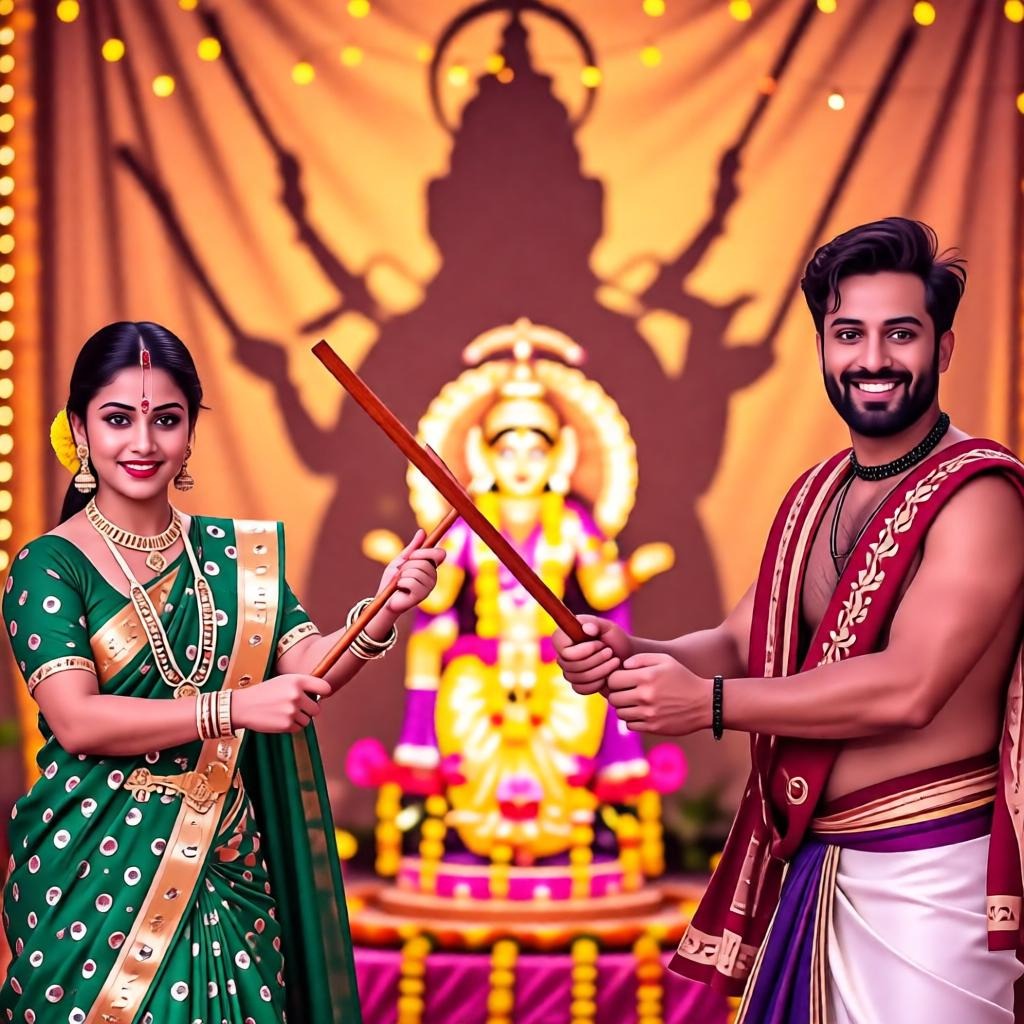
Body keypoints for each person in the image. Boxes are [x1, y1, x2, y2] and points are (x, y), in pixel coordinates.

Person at [552, 218, 1024, 1023]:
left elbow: (909, 688)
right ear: (822, 349)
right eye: (849, 334)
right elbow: (744, 642)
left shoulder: (980, 497)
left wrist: (707, 705)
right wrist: (637, 650)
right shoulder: (818, 491)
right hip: (813, 868)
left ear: (943, 349)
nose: (872, 359)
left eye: (900, 334)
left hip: (930, 878)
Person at [1, 321, 445, 1024]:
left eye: (166, 420)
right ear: (79, 430)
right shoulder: (49, 565)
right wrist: (234, 709)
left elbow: (307, 668)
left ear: (188, 435)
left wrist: (383, 609)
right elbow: (76, 720)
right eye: (118, 419)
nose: (143, 444)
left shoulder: (237, 557)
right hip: (94, 871)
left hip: (226, 859)